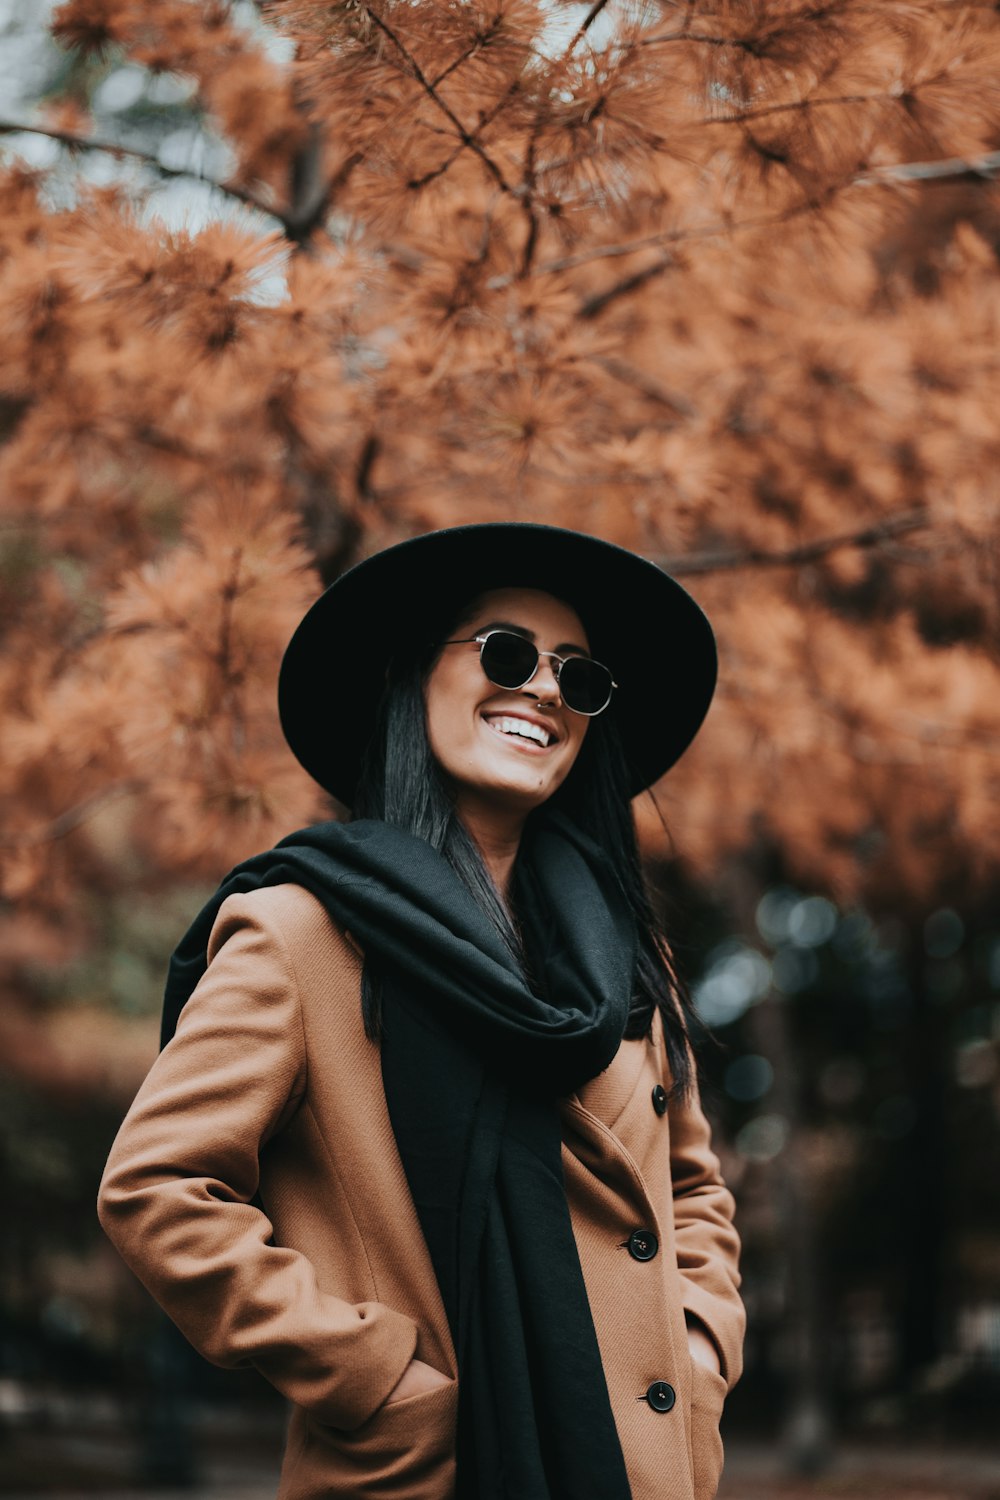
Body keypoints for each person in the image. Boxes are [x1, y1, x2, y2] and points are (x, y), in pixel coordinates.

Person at [98, 522, 745, 1500]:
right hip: (425, 1470)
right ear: (414, 677)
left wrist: (699, 1348)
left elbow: (691, 1189)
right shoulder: (299, 933)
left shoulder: (625, 956)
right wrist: (374, 1377)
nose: (542, 690)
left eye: (578, 677)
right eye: (507, 652)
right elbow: (158, 1190)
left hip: (643, 1470)